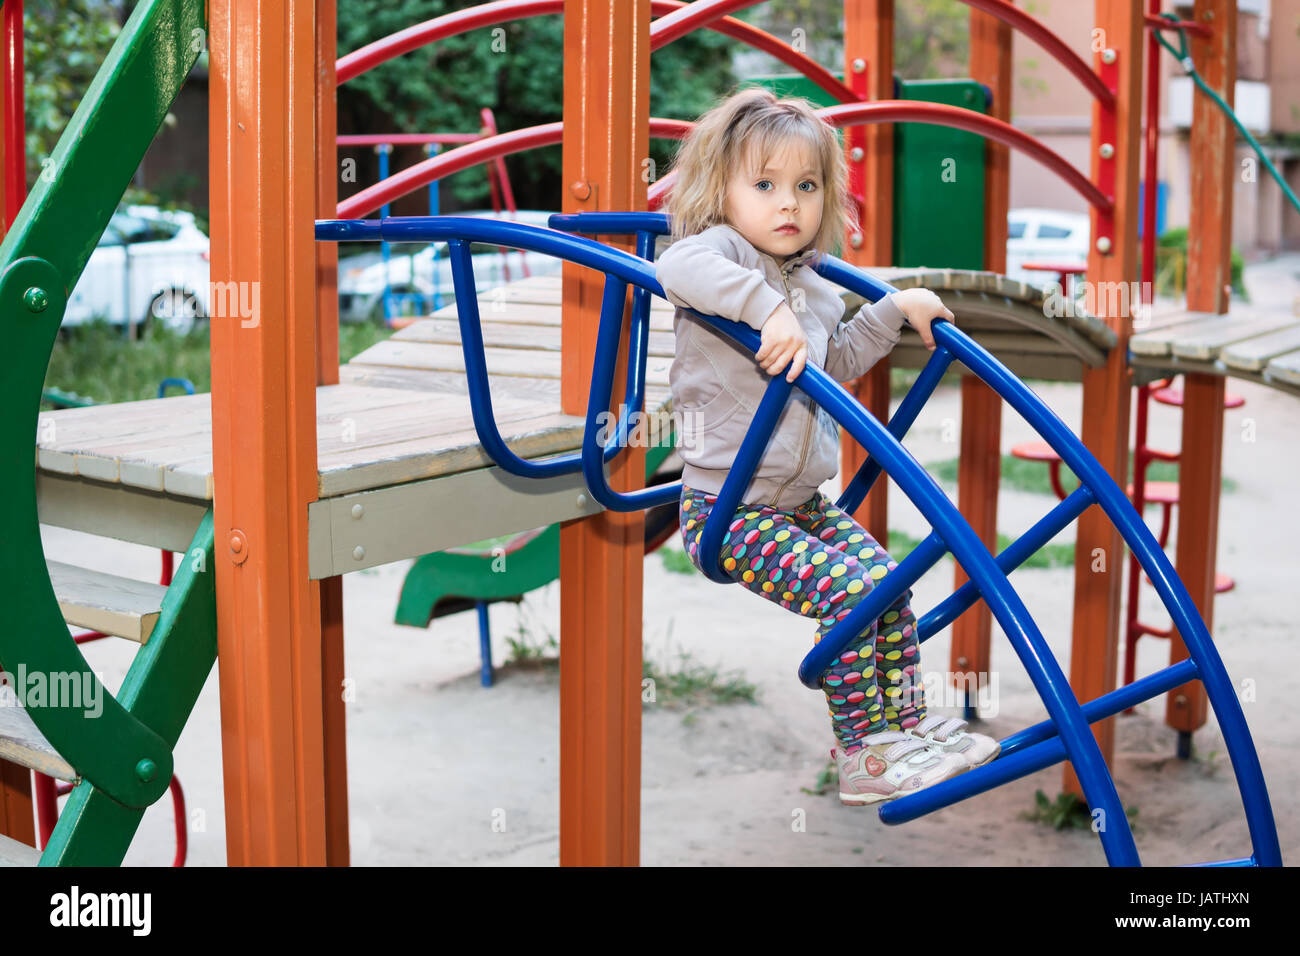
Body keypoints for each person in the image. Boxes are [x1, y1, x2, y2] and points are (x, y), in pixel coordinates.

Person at [655, 87, 999, 805]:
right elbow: (676, 268)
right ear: (722, 190)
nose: (789, 204)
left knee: (889, 584)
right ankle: (863, 751)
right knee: (852, 594)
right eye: (766, 184)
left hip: (801, 504)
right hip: (730, 509)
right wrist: (762, 305)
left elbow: (833, 361)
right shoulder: (719, 254)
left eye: (806, 186)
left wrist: (894, 309)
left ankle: (906, 726)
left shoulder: (809, 284)